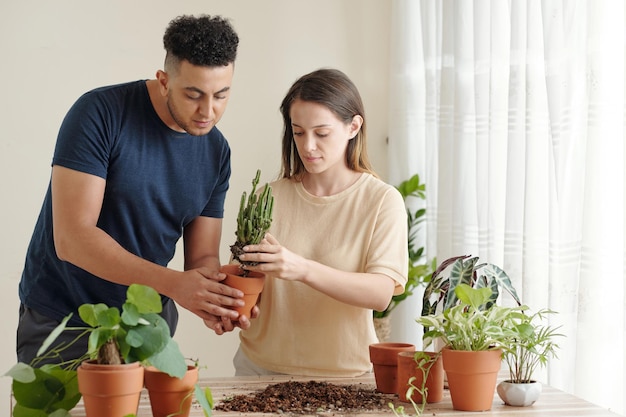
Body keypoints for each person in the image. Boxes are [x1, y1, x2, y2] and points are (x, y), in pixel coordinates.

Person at [17, 14, 251, 364]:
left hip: (147, 326)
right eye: (193, 95)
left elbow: (201, 258)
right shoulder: (100, 114)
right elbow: (72, 238)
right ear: (163, 81)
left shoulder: (216, 151)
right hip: (65, 320)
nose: (208, 111)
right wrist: (174, 285)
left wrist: (216, 301)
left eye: (221, 95)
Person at [231, 68, 409, 377]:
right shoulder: (266, 198)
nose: (308, 146)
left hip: (344, 377)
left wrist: (301, 269)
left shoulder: (381, 201)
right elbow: (243, 279)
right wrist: (234, 304)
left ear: (353, 127)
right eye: (298, 132)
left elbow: (381, 292)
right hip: (258, 370)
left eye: (321, 133)